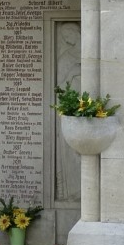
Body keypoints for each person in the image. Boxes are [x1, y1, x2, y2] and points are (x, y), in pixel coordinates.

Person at [55, 22, 82, 201]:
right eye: (63, 38)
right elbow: (61, 87)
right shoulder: (65, 58)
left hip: (89, 109)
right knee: (70, 152)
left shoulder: (89, 52)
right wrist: (72, 73)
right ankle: (73, 190)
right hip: (71, 109)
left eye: (68, 35)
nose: (66, 40)